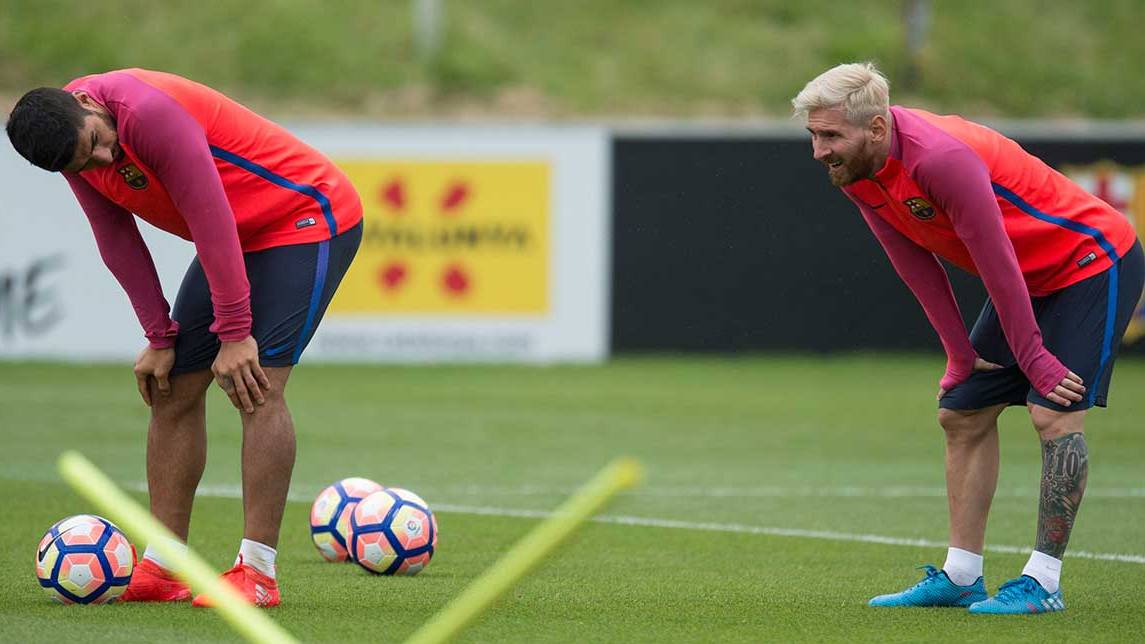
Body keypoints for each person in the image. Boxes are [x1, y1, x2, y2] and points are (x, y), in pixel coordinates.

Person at [792, 62, 1143, 614]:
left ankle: (1044, 581)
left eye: (830, 135)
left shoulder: (941, 158)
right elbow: (912, 260)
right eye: (814, 134)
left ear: (878, 128)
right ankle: (962, 575)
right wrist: (960, 353)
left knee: (1052, 411)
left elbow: (995, 258)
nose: (819, 150)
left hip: (1090, 260)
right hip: (1027, 278)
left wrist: (1035, 358)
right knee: (961, 413)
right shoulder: (856, 169)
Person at [6, 69, 364, 608]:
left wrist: (236, 332)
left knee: (254, 383)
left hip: (306, 215)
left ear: (86, 102)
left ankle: (258, 572)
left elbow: (210, 216)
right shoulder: (68, 143)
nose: (102, 162)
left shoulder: (148, 114)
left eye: (98, 144)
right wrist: (159, 333)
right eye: (84, 164)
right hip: (238, 235)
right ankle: (164, 565)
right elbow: (115, 235)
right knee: (170, 386)